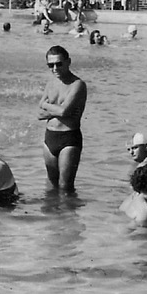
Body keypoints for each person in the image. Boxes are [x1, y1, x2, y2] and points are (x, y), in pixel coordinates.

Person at [37, 46, 87, 194]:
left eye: (59, 64)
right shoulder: (51, 83)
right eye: (50, 65)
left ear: (68, 62)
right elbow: (39, 114)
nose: (54, 68)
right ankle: (52, 216)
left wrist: (47, 105)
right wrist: (57, 110)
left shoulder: (77, 84)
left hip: (69, 138)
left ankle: (68, 216)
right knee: (52, 184)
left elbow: (64, 110)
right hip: (50, 136)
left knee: (66, 187)